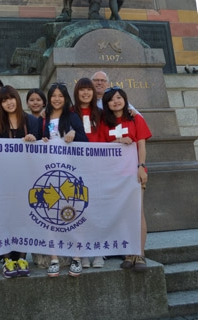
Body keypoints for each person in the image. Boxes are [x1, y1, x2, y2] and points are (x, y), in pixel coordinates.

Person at [0, 85, 39, 278]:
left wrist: (34, 139)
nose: (8, 102)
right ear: (0, 104)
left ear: (17, 99)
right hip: (5, 179)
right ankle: (7, 259)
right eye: (3, 100)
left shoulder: (31, 120)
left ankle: (22, 257)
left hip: (27, 178)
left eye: (11, 98)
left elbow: (43, 147)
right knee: (6, 218)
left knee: (24, 217)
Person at [99, 86, 152, 272]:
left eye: (119, 97)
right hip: (114, 175)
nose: (116, 101)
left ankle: (140, 253)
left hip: (134, 172)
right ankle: (128, 252)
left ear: (125, 99)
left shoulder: (135, 118)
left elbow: (141, 145)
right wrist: (117, 142)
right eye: (112, 99)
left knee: (137, 212)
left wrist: (141, 167)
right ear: (106, 104)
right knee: (122, 213)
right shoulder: (104, 123)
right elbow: (101, 146)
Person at [40, 83, 88, 278]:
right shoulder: (43, 119)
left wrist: (74, 134)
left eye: (60, 95)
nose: (57, 99)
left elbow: (86, 142)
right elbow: (36, 139)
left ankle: (76, 258)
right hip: (48, 173)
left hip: (70, 173)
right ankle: (54, 259)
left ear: (65, 97)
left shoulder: (72, 117)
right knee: (50, 215)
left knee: (73, 214)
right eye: (53, 95)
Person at [72, 77, 104, 268]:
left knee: (97, 210)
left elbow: (107, 135)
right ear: (77, 92)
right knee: (79, 209)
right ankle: (82, 252)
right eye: (82, 90)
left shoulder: (101, 113)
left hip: (98, 166)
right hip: (77, 167)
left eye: (89, 90)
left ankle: (98, 251)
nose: (85, 93)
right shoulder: (70, 113)